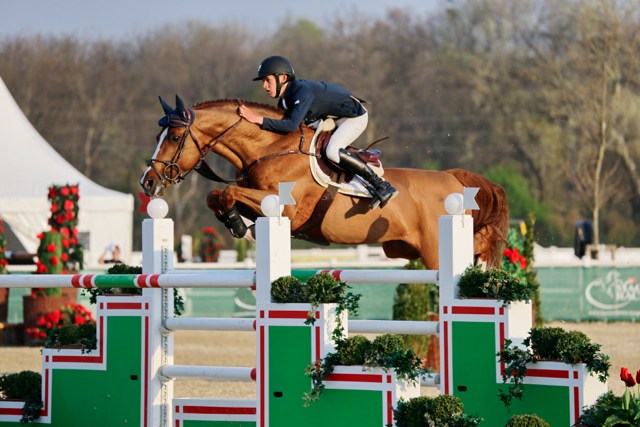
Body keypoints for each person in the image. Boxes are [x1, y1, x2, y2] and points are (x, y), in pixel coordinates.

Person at [238, 55, 398, 209]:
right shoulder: (285, 99)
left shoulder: (301, 91)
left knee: (332, 151)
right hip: (332, 117)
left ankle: (381, 185)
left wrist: (258, 119)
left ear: (283, 78)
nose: (264, 86)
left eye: (267, 80)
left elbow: (290, 126)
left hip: (353, 117)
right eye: (263, 81)